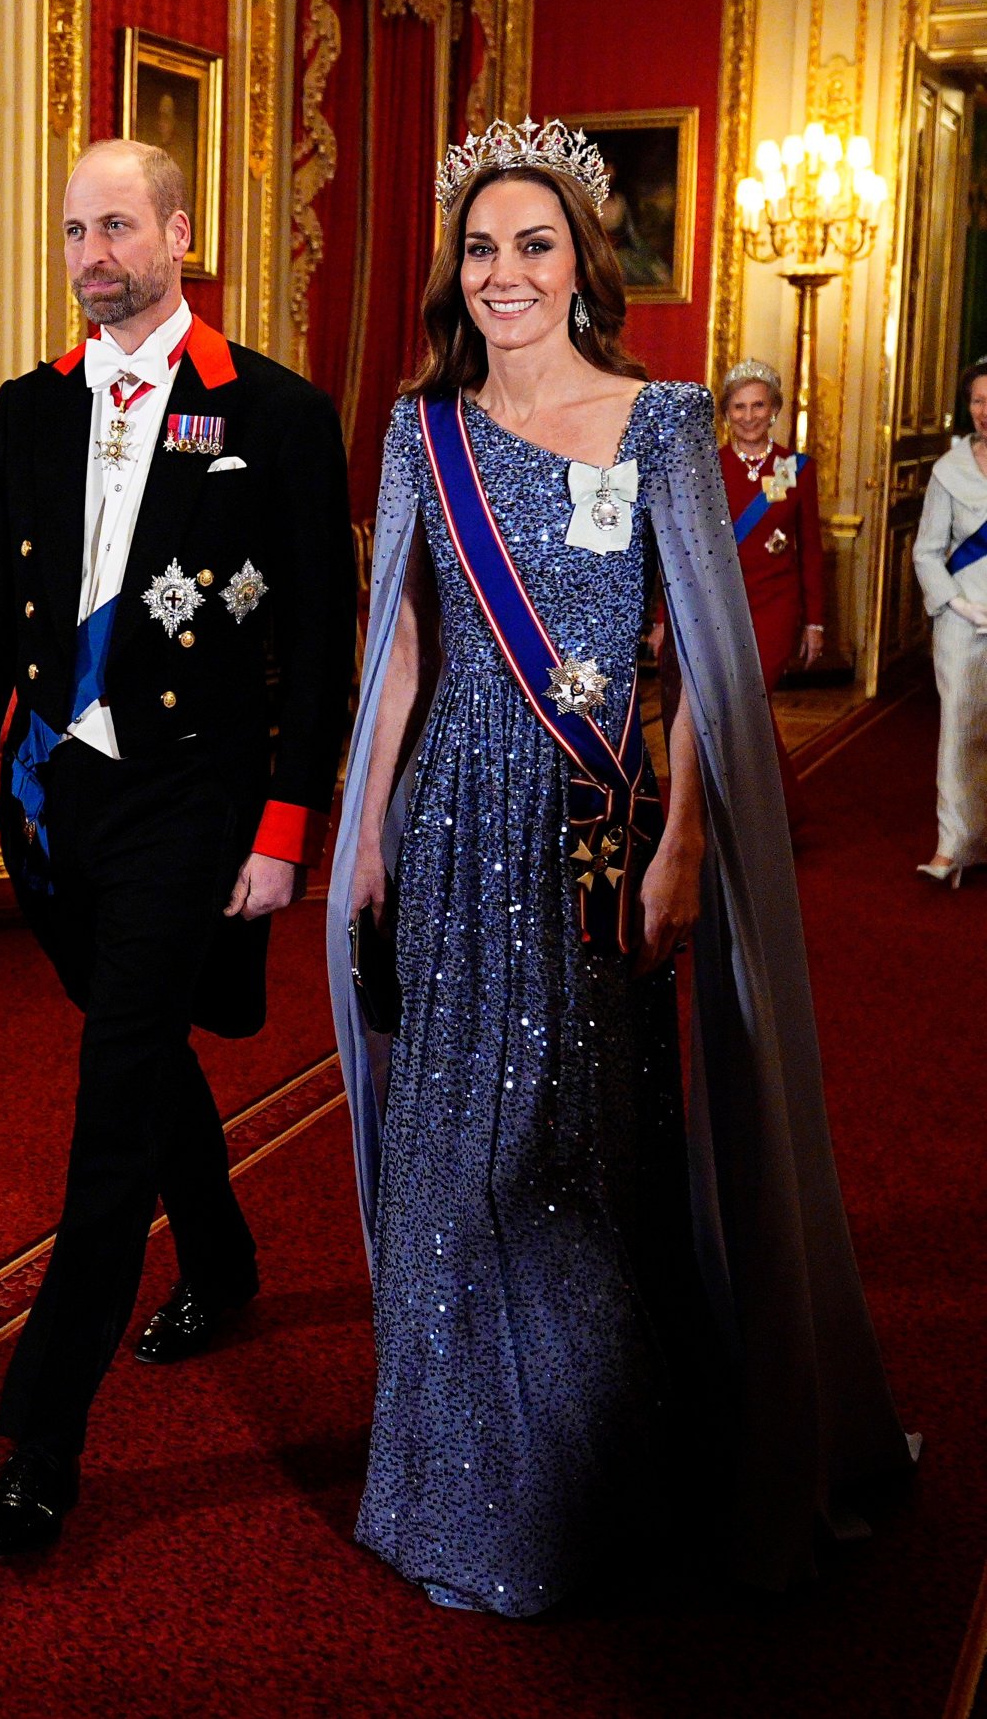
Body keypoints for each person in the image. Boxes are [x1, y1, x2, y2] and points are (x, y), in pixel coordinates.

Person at [328, 118, 915, 1616]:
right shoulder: (420, 430)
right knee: (456, 1153)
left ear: (582, 264)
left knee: (585, 1158)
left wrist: (684, 840)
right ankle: (455, 1490)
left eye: (535, 245)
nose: (505, 273)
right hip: (455, 820)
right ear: (452, 275)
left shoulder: (659, 420)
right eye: (480, 249)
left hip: (595, 835)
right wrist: (369, 824)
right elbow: (398, 651)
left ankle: (602, 1489)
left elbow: (712, 667)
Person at [0, 138, 354, 1558]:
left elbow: (323, 637)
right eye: (72, 230)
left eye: (117, 225)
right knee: (133, 1033)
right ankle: (220, 1254)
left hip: (190, 798)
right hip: (58, 800)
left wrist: (288, 826)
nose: (92, 254)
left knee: (111, 1107)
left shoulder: (273, 412)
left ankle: (44, 1440)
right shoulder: (27, 408)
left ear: (180, 230)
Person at [717, 359, 824, 828]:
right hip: (718, 607)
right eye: (738, 406)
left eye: (758, 405)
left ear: (775, 409)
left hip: (775, 609)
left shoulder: (795, 469)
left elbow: (812, 551)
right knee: (729, 709)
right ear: (726, 413)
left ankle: (764, 814)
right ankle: (768, 811)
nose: (748, 415)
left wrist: (814, 621)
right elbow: (679, 549)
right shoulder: (707, 466)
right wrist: (664, 618)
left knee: (748, 701)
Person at [912, 357, 987, 884]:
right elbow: (926, 552)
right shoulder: (949, 469)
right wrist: (958, 605)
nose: (986, 411)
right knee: (959, 732)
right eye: (979, 400)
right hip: (963, 621)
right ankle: (953, 846)